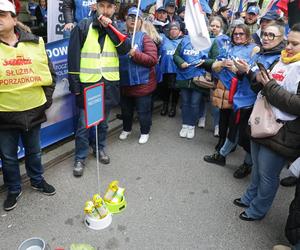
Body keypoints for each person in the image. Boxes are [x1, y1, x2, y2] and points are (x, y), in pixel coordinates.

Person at [234, 23, 300, 221]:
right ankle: (249, 198)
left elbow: (296, 104)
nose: (288, 47)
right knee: (257, 168)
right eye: (288, 42)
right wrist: (251, 74)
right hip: (261, 121)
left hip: (283, 131)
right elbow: (262, 88)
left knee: (268, 175)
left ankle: (257, 210)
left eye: (294, 44)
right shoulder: (280, 61)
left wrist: (269, 84)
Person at [0, 0, 56, 211]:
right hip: (4, 116)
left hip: (33, 112)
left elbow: (50, 75)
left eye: (2, 14)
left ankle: (37, 180)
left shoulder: (34, 43)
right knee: (7, 156)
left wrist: (45, 102)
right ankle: (14, 188)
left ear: (14, 19)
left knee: (35, 151)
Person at [68, 0, 131, 177]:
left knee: (103, 123)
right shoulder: (83, 25)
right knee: (83, 125)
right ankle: (80, 157)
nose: (106, 10)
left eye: (109, 7)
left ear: (114, 9)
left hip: (109, 83)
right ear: (96, 6)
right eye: (102, 5)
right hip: (89, 83)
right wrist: (75, 85)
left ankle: (99, 148)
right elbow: (73, 57)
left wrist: (110, 28)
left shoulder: (119, 27)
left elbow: (124, 49)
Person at [118, 7, 158, 144]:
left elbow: (153, 59)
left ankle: (145, 131)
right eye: (130, 17)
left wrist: (137, 55)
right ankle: (126, 129)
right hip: (125, 82)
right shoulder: (121, 37)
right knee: (126, 110)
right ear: (125, 20)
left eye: (136, 18)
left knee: (143, 111)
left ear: (141, 22)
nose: (132, 21)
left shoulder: (145, 38)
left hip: (143, 83)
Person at [173, 33, 207, 139]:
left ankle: (191, 126)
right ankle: (185, 125)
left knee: (194, 103)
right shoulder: (184, 40)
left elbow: (212, 59)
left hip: (198, 78)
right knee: (185, 102)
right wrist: (181, 62)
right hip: (183, 77)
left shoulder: (206, 42)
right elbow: (176, 55)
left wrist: (204, 62)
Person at [159, 21, 183, 117]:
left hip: (177, 70)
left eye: (176, 29)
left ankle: (173, 107)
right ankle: (165, 105)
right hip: (165, 69)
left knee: (175, 90)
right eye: (172, 29)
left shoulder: (183, 40)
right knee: (165, 89)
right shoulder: (163, 39)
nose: (173, 31)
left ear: (179, 31)